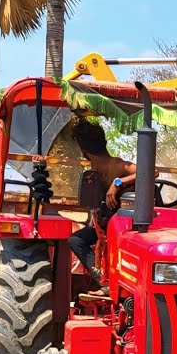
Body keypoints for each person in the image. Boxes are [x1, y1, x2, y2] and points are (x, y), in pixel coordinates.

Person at [68, 118, 136, 288]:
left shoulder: (117, 165)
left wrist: (117, 183)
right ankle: (104, 281)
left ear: (85, 152)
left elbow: (152, 172)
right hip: (109, 223)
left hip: (127, 222)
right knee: (76, 240)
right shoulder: (93, 173)